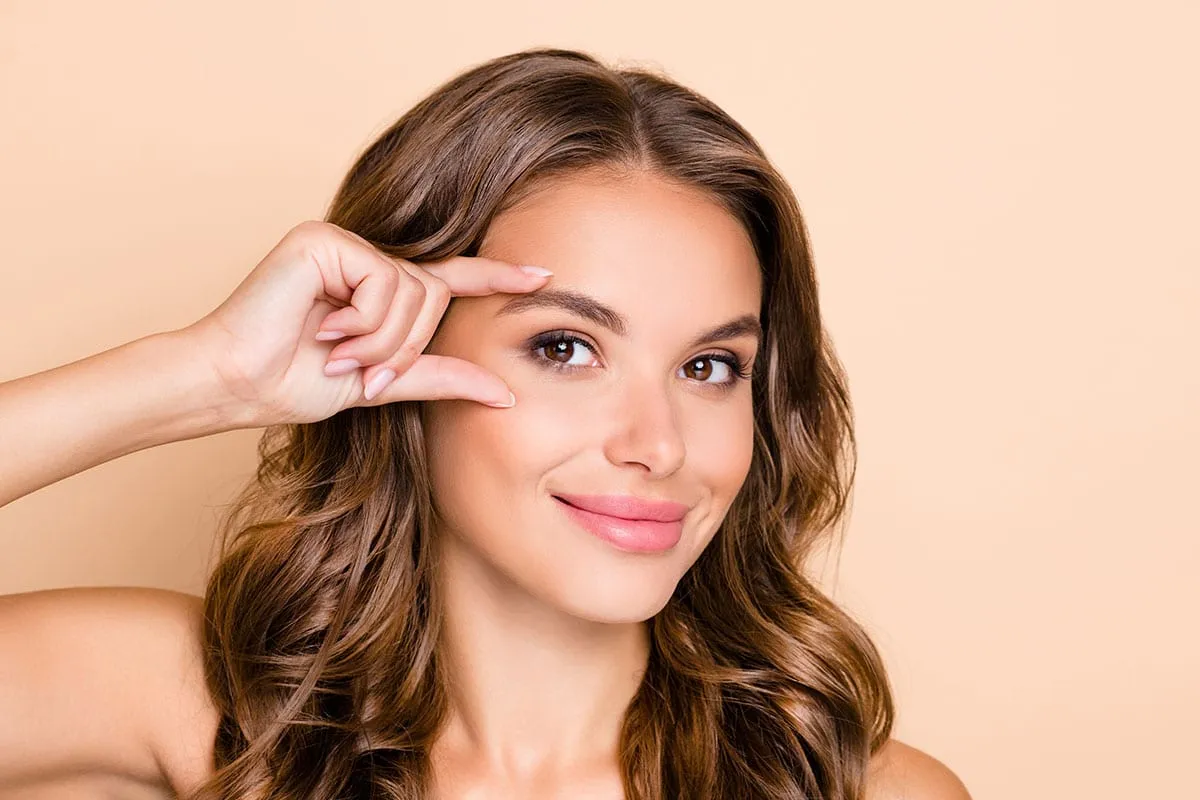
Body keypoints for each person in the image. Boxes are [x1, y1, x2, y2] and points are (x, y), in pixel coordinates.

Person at [0, 48, 971, 800]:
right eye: (565, 348)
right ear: (401, 361)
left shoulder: (863, 787)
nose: (658, 441)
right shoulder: (204, 710)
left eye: (709, 366)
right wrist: (206, 374)